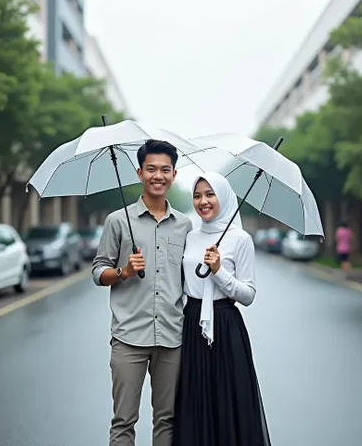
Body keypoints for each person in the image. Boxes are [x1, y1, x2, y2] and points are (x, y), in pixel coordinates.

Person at [92, 139, 193, 446]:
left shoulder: (186, 226)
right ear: (139, 173)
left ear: (174, 175)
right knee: (123, 421)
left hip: (172, 337)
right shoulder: (118, 221)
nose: (157, 176)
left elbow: (191, 282)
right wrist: (124, 271)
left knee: (168, 420)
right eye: (151, 169)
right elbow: (98, 272)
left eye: (165, 169)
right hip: (128, 338)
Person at [172, 172, 272, 446]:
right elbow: (182, 284)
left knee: (228, 400)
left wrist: (219, 273)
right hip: (192, 324)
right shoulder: (190, 237)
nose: (203, 201)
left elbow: (248, 295)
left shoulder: (240, 239)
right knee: (193, 399)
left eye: (209, 194)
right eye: (197, 195)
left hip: (226, 327)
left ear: (224, 197)